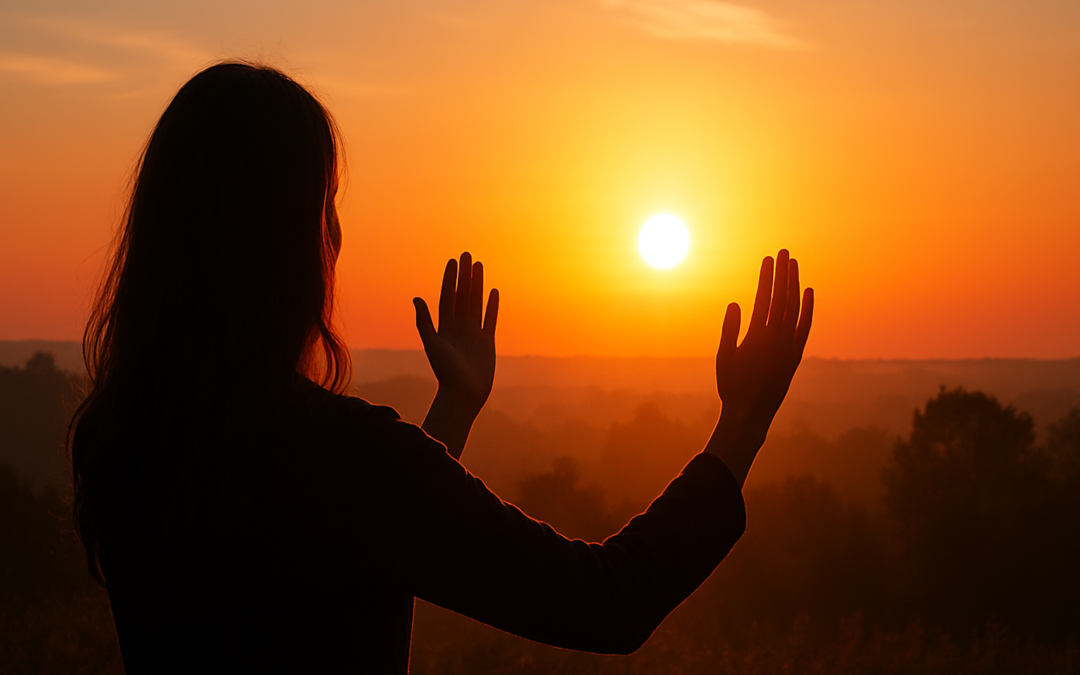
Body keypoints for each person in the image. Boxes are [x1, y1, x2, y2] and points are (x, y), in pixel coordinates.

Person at [69, 62, 813, 673]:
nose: (335, 232)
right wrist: (743, 423)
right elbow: (606, 600)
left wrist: (452, 408)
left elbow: (335, 551)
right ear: (291, 247)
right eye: (323, 206)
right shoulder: (349, 461)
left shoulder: (120, 444)